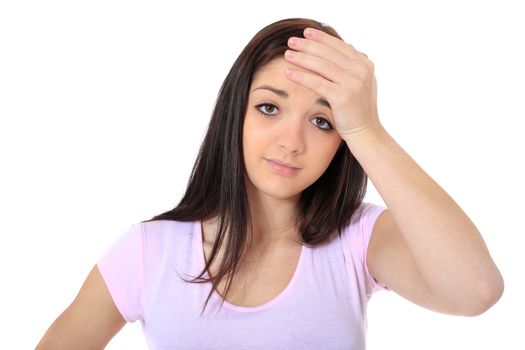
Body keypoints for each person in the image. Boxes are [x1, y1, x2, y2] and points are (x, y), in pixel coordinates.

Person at [36, 18, 504, 349]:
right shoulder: (148, 252)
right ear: (234, 113)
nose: (292, 142)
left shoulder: (359, 239)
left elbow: (475, 291)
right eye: (268, 108)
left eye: (322, 121)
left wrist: (366, 129)